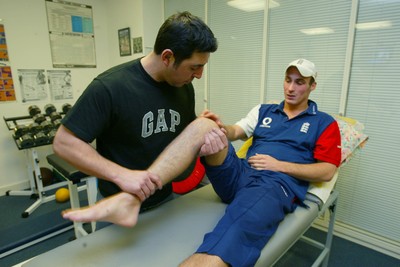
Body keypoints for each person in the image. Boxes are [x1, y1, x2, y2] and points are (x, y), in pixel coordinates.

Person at [62, 59, 342, 267]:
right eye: (288, 80)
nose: (291, 88)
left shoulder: (323, 123)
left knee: (240, 221)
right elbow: (236, 131)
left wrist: (278, 166)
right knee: (205, 126)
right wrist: (218, 127)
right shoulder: (265, 110)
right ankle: (135, 194)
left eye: (300, 82)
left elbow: (327, 171)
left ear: (312, 86)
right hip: (242, 173)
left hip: (274, 183)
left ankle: (202, 261)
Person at [52, 11, 218, 211]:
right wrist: (120, 175)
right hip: (117, 205)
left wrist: (199, 133)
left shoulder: (183, 86)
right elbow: (64, 143)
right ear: (167, 57)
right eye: (194, 67)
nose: (199, 75)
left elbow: (178, 138)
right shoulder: (110, 87)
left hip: (165, 198)